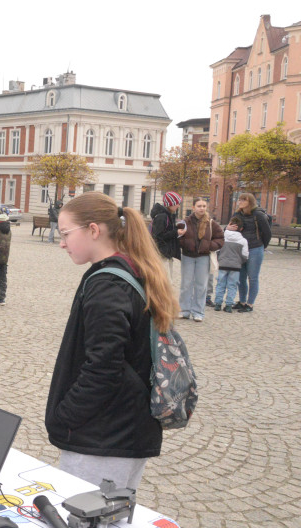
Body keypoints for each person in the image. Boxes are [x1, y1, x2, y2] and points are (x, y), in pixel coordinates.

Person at [46, 192, 175, 490]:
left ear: (94, 230)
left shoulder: (107, 285)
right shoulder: (127, 269)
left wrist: (64, 416)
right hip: (121, 430)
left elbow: (104, 367)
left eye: (66, 233)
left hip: (104, 438)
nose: (62, 242)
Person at [177, 198, 224, 322]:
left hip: (203, 257)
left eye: (204, 206)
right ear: (193, 207)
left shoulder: (211, 223)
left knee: (201, 285)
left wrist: (208, 246)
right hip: (188, 256)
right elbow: (178, 236)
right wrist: (185, 244)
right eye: (199, 206)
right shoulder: (185, 222)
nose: (202, 208)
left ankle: (198, 312)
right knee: (186, 284)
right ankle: (184, 310)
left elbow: (220, 238)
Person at [231, 192, 271, 312]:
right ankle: (242, 301)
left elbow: (267, 233)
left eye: (244, 200)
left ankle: (250, 304)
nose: (241, 202)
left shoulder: (258, 215)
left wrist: (262, 245)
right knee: (240, 277)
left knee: (252, 277)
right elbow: (230, 228)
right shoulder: (237, 214)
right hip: (240, 249)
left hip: (255, 248)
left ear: (250, 202)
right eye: (240, 200)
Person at [213, 219, 249, 313]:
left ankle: (218, 304)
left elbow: (217, 250)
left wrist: (220, 259)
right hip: (236, 266)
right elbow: (245, 255)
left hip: (223, 264)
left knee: (220, 284)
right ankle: (229, 305)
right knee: (232, 285)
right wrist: (239, 261)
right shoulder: (243, 241)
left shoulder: (223, 237)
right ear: (241, 229)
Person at [149, 191, 182, 280]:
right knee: (164, 280)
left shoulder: (167, 215)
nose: (178, 206)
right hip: (162, 253)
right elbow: (158, 236)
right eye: (177, 203)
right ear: (171, 204)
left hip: (165, 253)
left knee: (168, 279)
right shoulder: (162, 216)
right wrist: (176, 232)